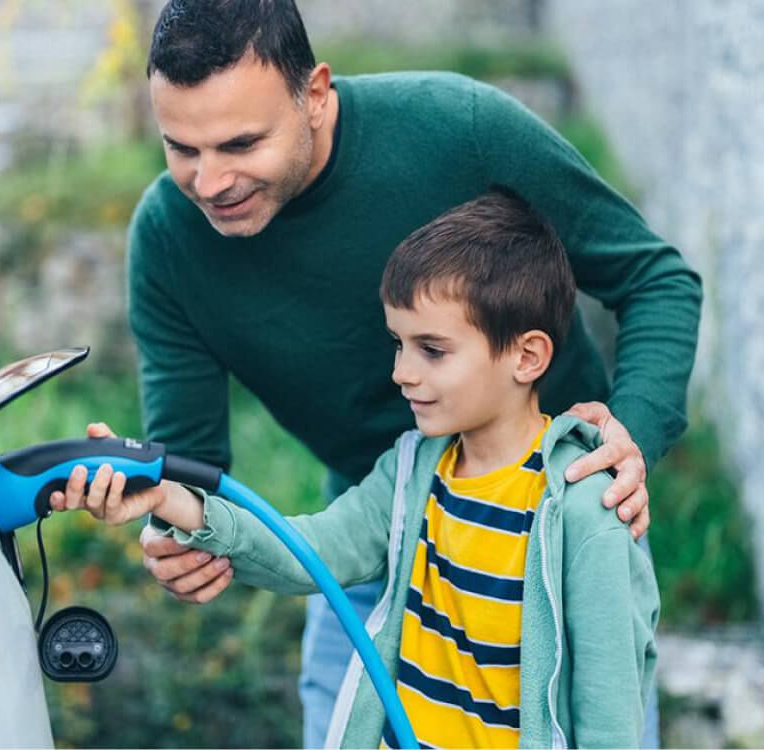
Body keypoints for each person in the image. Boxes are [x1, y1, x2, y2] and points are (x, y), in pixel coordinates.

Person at [93, 0, 699, 746]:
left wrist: (629, 441)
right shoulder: (167, 241)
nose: (208, 182)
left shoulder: (459, 128)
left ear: (314, 93)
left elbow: (655, 278)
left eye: (241, 143)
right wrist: (172, 523)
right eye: (182, 148)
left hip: (554, 524)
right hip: (375, 520)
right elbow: (193, 470)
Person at [53, 191, 660, 748]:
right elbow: (309, 551)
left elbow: (610, 717)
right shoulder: (412, 472)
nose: (402, 372)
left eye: (432, 350)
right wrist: (168, 498)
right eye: (398, 344)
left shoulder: (584, 507)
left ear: (526, 356)